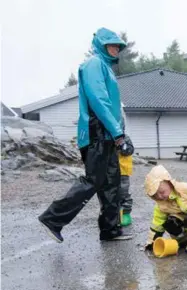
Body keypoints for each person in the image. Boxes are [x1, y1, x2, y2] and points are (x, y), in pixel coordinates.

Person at [38, 27, 132, 242]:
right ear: (101, 45)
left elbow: (113, 106)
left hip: (107, 133)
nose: (116, 48)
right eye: (111, 44)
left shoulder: (105, 68)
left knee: (112, 182)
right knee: (94, 180)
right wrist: (118, 134)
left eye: (118, 45)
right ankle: (52, 218)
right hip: (96, 131)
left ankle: (110, 230)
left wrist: (121, 134)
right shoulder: (94, 64)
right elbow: (99, 101)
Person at [118, 106, 134, 227]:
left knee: (124, 193)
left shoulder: (126, 138)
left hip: (123, 171)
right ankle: (114, 213)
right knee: (111, 193)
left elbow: (129, 151)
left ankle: (126, 213)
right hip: (110, 171)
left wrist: (121, 145)